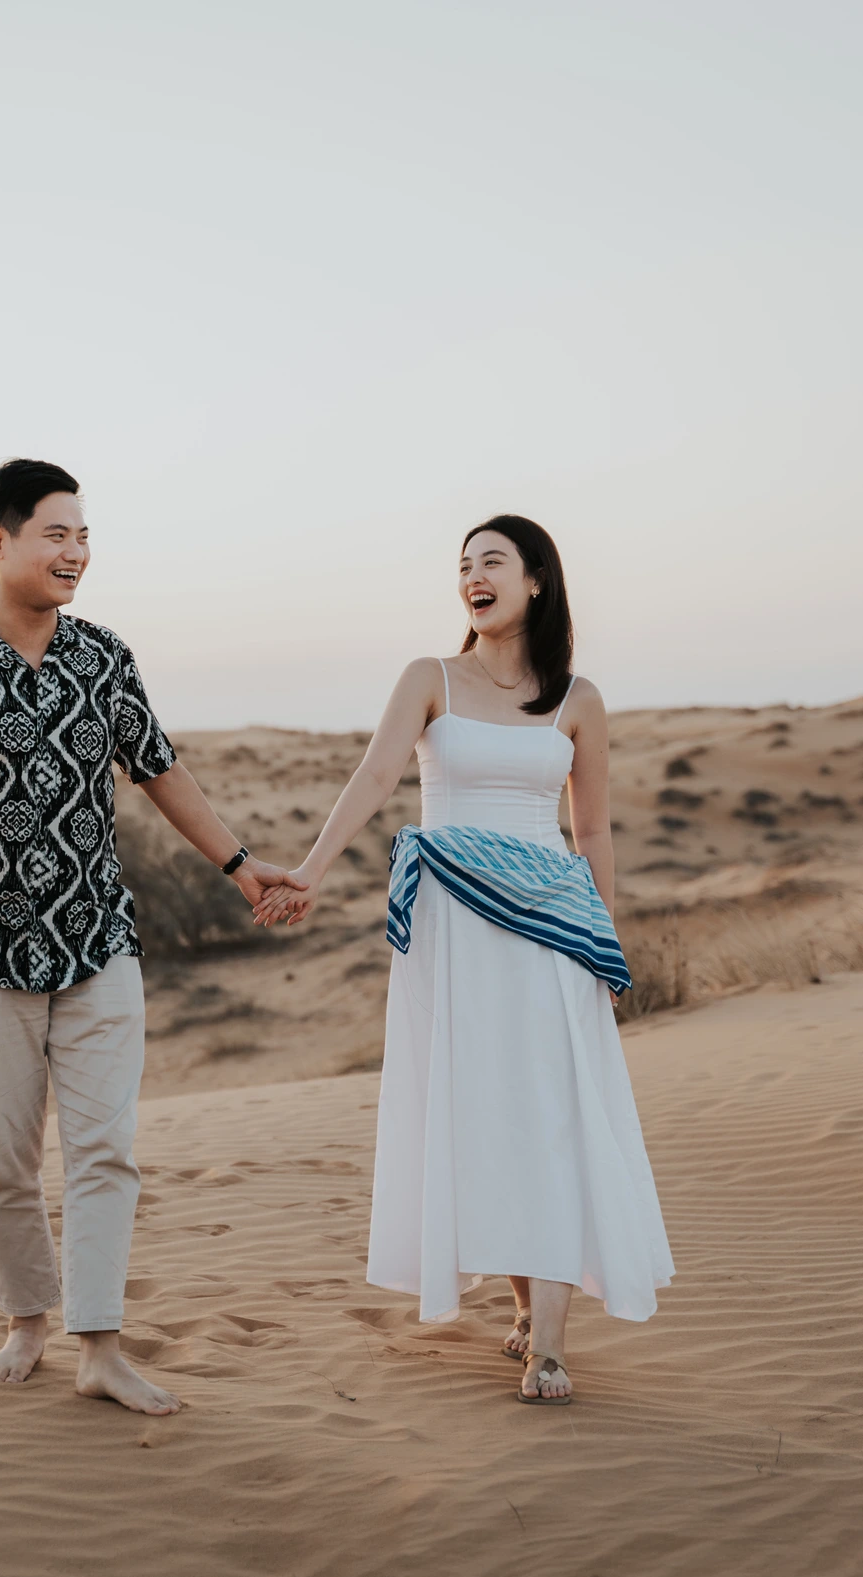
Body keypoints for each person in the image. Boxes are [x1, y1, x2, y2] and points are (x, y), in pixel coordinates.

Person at [0, 458, 303, 1416]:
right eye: (56, 535)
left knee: (105, 1150)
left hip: (97, 939)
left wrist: (240, 865)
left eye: (84, 536)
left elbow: (159, 769)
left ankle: (98, 1344)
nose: (76, 553)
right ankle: (26, 1322)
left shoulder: (103, 656)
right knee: (4, 1163)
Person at [255, 515, 673, 1407]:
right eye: (462, 566)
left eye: (491, 563)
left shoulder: (576, 699)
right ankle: (525, 1301)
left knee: (549, 1112)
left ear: (534, 582)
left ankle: (549, 1344)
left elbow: (591, 828)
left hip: (550, 933)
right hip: (452, 932)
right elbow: (373, 778)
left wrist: (604, 945)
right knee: (482, 1114)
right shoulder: (429, 677)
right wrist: (311, 872)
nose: (472, 577)